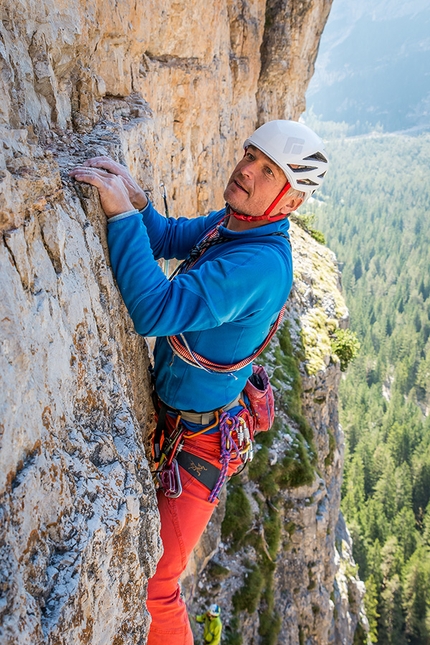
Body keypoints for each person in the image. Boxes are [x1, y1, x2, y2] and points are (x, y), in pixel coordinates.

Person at [70, 119, 328, 645]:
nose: (246, 171)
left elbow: (154, 309)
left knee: (157, 582)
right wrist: (139, 203)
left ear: (289, 201)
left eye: (266, 170)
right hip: (183, 422)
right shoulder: (237, 223)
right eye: (249, 155)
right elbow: (166, 237)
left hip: (201, 448)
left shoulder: (259, 265)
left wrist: (119, 216)